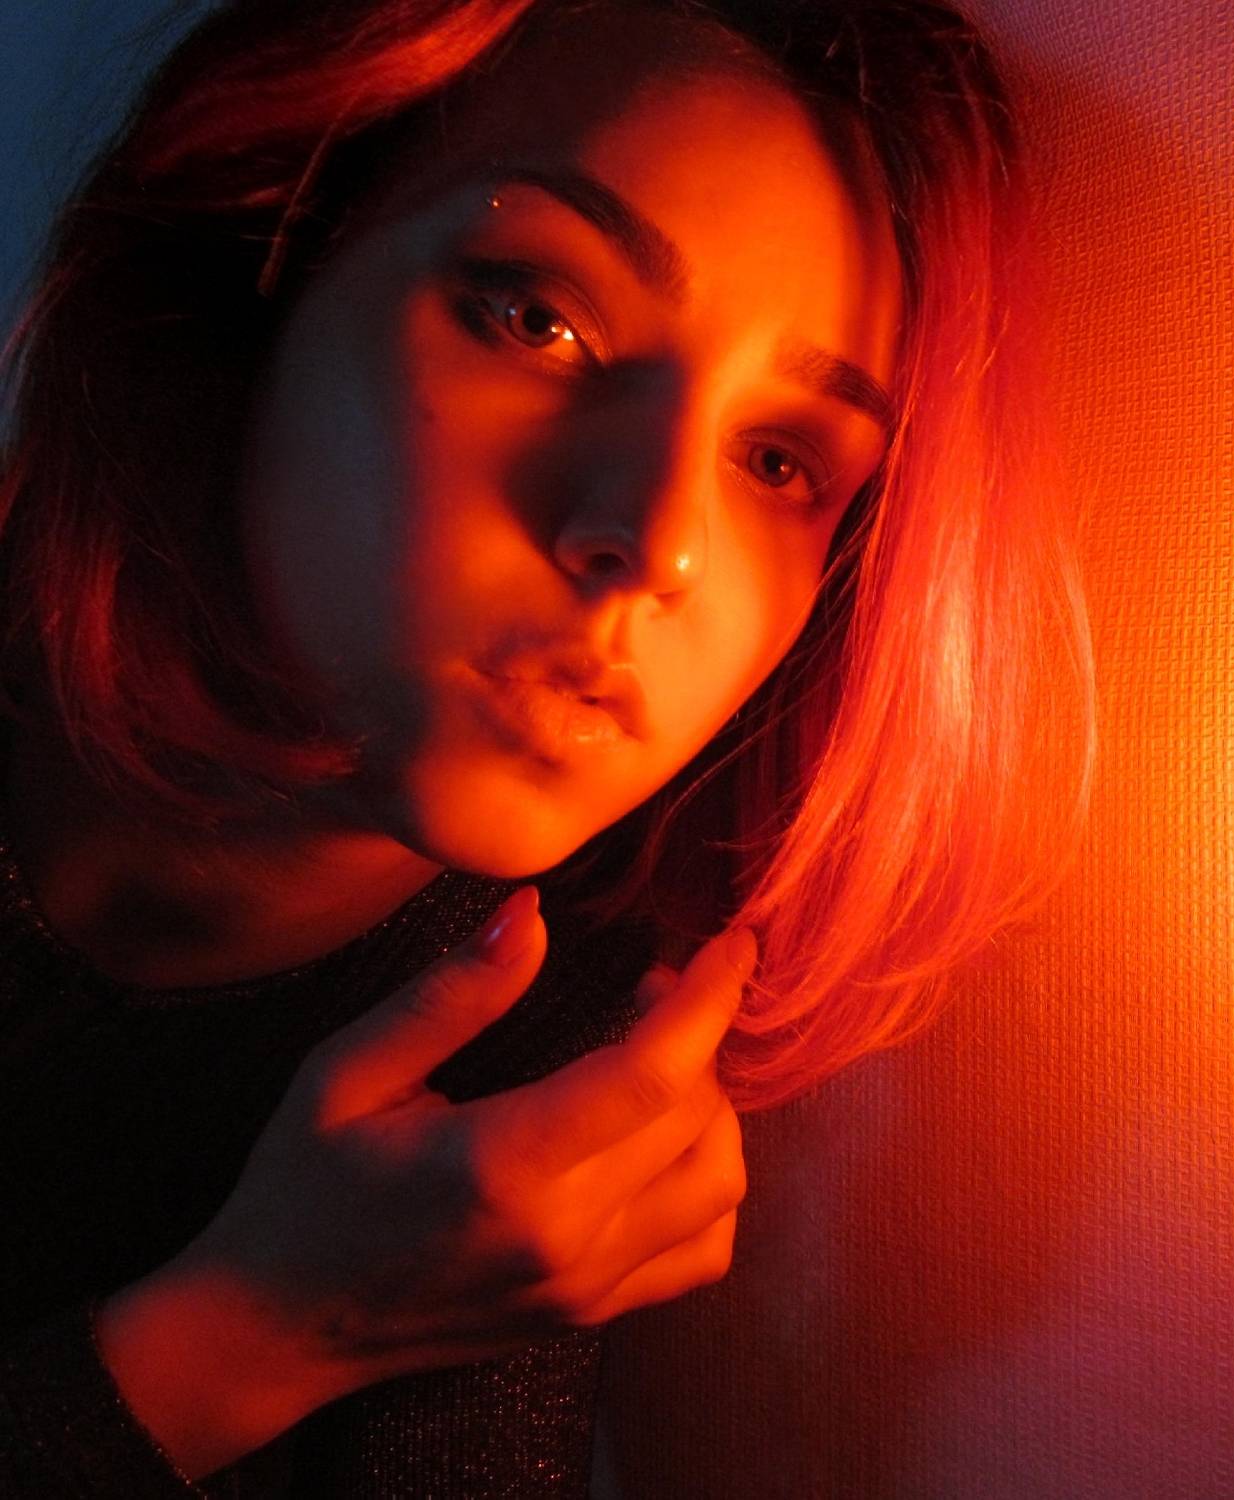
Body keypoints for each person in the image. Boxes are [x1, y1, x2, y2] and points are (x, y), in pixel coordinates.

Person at [0, 0, 1093, 1492]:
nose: (656, 543)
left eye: (780, 462)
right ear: (277, 253)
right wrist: (250, 1339)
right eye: (540, 318)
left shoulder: (515, 1118)